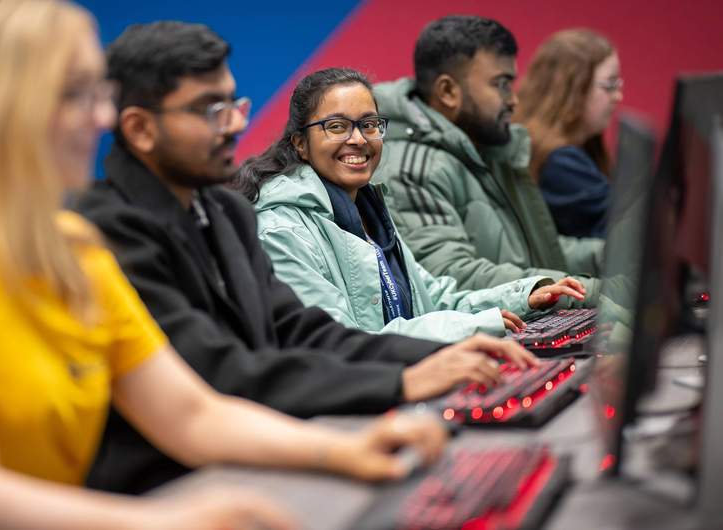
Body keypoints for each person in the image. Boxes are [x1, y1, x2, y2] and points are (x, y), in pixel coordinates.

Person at [0, 3, 453, 529]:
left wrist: (345, 451)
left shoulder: (72, 246)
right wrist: (162, 521)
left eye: (98, 94)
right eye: (74, 95)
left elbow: (191, 413)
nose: (104, 119)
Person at [77, 21, 537, 495]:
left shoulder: (224, 210)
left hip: (246, 458)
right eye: (210, 110)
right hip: (168, 488)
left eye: (234, 105)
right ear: (139, 128)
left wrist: (429, 359)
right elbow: (219, 373)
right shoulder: (104, 232)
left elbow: (303, 331)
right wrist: (399, 383)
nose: (236, 124)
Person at [237, 67, 586, 343]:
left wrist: (524, 297)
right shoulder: (280, 230)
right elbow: (341, 343)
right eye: (337, 126)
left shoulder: (367, 209)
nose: (358, 139)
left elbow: (431, 300)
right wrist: (477, 326)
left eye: (369, 125)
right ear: (300, 143)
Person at [372, 15, 604, 305]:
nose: (513, 101)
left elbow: (538, 252)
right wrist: (593, 291)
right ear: (448, 92)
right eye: (501, 84)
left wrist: (613, 255)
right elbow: (453, 275)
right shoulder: (411, 168)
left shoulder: (483, 147)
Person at [516, 29, 623, 238]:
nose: (618, 96)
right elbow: (623, 232)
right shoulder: (559, 162)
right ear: (572, 87)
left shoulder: (561, 150)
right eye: (609, 85)